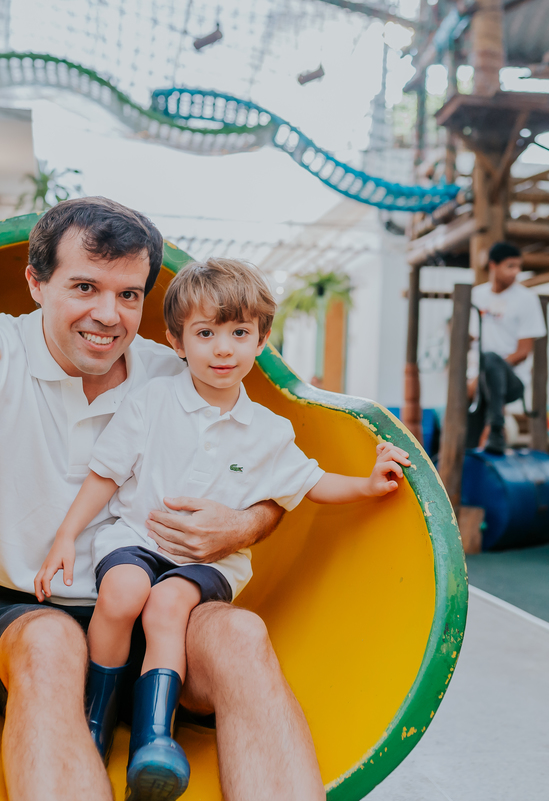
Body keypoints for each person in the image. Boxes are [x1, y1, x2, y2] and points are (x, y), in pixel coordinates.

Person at [0, 197, 328, 801]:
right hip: (27, 610)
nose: (108, 315)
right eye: (84, 287)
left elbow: (271, 477)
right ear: (36, 282)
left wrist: (242, 525)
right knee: (54, 644)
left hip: (157, 613)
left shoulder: (178, 375)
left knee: (240, 635)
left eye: (128, 295)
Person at [34, 258, 411, 800]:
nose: (223, 349)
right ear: (177, 341)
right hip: (136, 540)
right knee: (121, 593)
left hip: (208, 564)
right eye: (205, 334)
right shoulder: (153, 402)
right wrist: (67, 536)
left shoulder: (268, 431)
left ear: (261, 341)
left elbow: (311, 483)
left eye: (239, 333)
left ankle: (153, 740)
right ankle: (93, 722)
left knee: (167, 607)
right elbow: (104, 474)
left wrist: (369, 484)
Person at [467, 241, 547, 454]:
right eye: (510, 266)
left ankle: (496, 430)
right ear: (493, 266)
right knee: (465, 419)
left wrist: (487, 368)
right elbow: (470, 338)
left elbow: (523, 351)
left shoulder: (526, 299)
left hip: (512, 380)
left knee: (491, 359)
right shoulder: (477, 295)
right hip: (479, 379)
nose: (516, 272)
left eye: (518, 267)